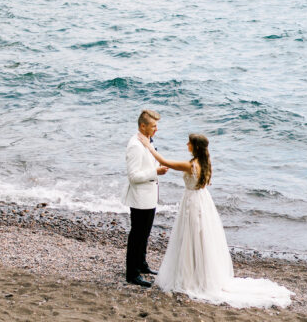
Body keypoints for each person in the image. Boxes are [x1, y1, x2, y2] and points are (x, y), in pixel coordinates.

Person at [138, 132, 292, 309]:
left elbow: (165, 163)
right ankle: (199, 273)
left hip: (193, 202)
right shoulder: (205, 163)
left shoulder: (191, 165)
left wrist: (149, 146)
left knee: (191, 237)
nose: (186, 144)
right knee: (200, 238)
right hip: (202, 200)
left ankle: (193, 277)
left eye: (189, 142)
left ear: (195, 147)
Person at [123, 109, 168, 287]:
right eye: (154, 126)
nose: (156, 129)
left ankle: (142, 265)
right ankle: (132, 274)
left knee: (145, 235)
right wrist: (155, 171)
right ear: (143, 126)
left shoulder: (148, 141)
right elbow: (133, 176)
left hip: (150, 196)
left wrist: (157, 168)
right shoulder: (135, 145)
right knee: (137, 236)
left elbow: (149, 162)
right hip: (140, 197)